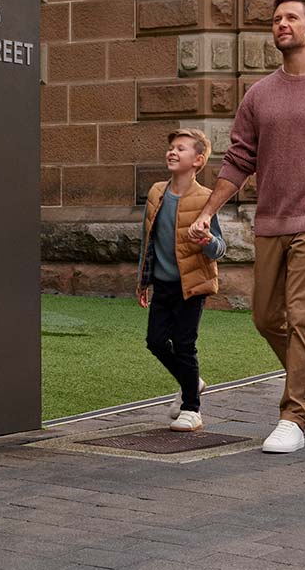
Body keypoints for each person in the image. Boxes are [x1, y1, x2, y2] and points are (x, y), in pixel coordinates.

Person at [188, 0, 305, 454]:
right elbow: (237, 160)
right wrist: (208, 211)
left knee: (300, 312)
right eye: (276, 19)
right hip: (271, 217)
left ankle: (294, 414)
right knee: (266, 316)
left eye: (291, 18)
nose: (281, 25)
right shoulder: (259, 94)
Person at [137, 128, 227, 433]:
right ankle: (193, 382)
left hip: (193, 285)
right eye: (171, 147)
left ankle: (192, 408)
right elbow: (147, 241)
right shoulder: (156, 193)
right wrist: (142, 282)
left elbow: (220, 248)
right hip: (162, 284)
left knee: (185, 344)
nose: (173, 152)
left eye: (182, 149)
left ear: (198, 160)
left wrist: (207, 241)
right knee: (156, 341)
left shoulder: (206, 199)